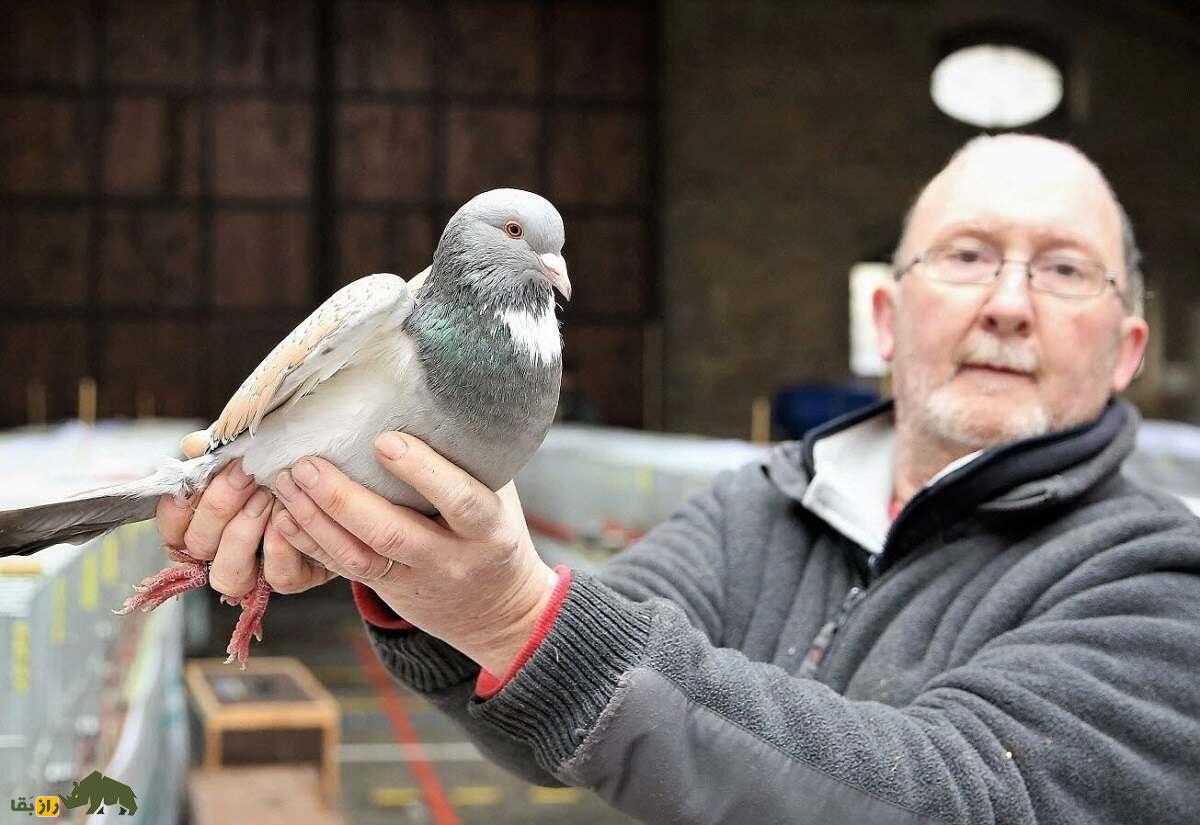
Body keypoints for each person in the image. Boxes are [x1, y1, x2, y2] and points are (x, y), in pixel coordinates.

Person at [156, 134, 1200, 824]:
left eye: (1065, 271)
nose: (1010, 305)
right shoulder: (770, 504)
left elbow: (954, 798)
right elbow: (568, 710)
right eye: (968, 257)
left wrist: (520, 614)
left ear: (1127, 349)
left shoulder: (1162, 584)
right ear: (885, 318)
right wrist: (425, 585)